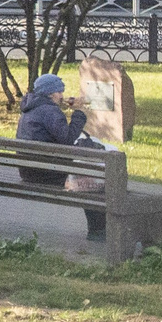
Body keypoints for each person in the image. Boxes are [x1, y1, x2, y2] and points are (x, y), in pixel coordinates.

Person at [15, 72, 109, 237]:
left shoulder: (30, 108)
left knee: (90, 178)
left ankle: (99, 230)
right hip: (47, 174)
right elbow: (67, 139)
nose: (62, 96)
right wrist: (79, 112)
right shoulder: (50, 111)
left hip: (28, 171)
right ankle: (98, 232)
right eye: (59, 92)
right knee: (94, 183)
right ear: (50, 94)